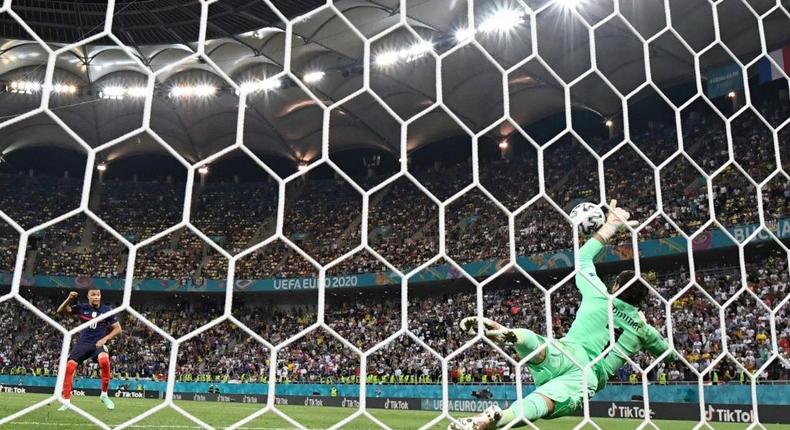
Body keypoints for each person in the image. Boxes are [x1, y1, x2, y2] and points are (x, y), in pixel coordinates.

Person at [451, 200, 655, 429]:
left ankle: (513, 336)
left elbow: (583, 259)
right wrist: (646, 331)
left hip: (569, 350)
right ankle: (487, 422)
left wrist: (610, 227)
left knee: (538, 347)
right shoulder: (642, 329)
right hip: (588, 375)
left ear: (617, 287)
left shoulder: (600, 296)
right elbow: (668, 354)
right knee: (543, 404)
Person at [56, 288, 122, 411]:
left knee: (104, 362)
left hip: (98, 343)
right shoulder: (82, 307)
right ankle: (66, 400)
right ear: (88, 296)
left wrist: (105, 339)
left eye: (98, 294)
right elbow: (60, 311)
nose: (96, 297)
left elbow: (118, 329)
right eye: (93, 295)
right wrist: (69, 298)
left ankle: (104, 395)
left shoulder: (106, 310)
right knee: (69, 366)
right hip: (84, 343)